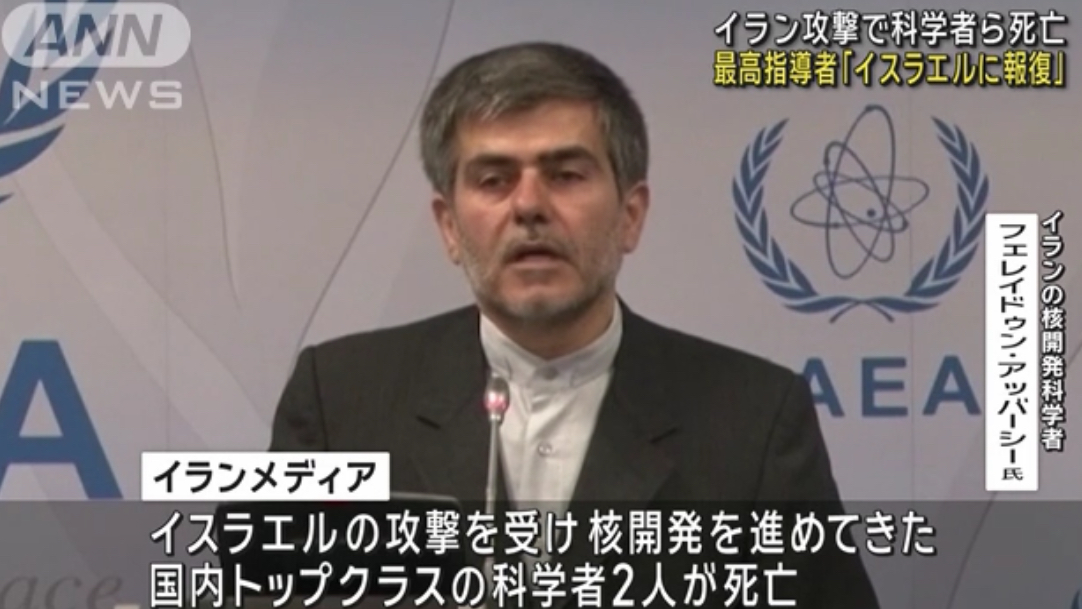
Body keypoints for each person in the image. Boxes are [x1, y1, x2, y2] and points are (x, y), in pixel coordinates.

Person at [270, 41, 879, 608]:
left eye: (565, 175)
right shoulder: (339, 399)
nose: (529, 206)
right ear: (449, 226)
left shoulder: (755, 418)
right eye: (494, 179)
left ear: (630, 216)